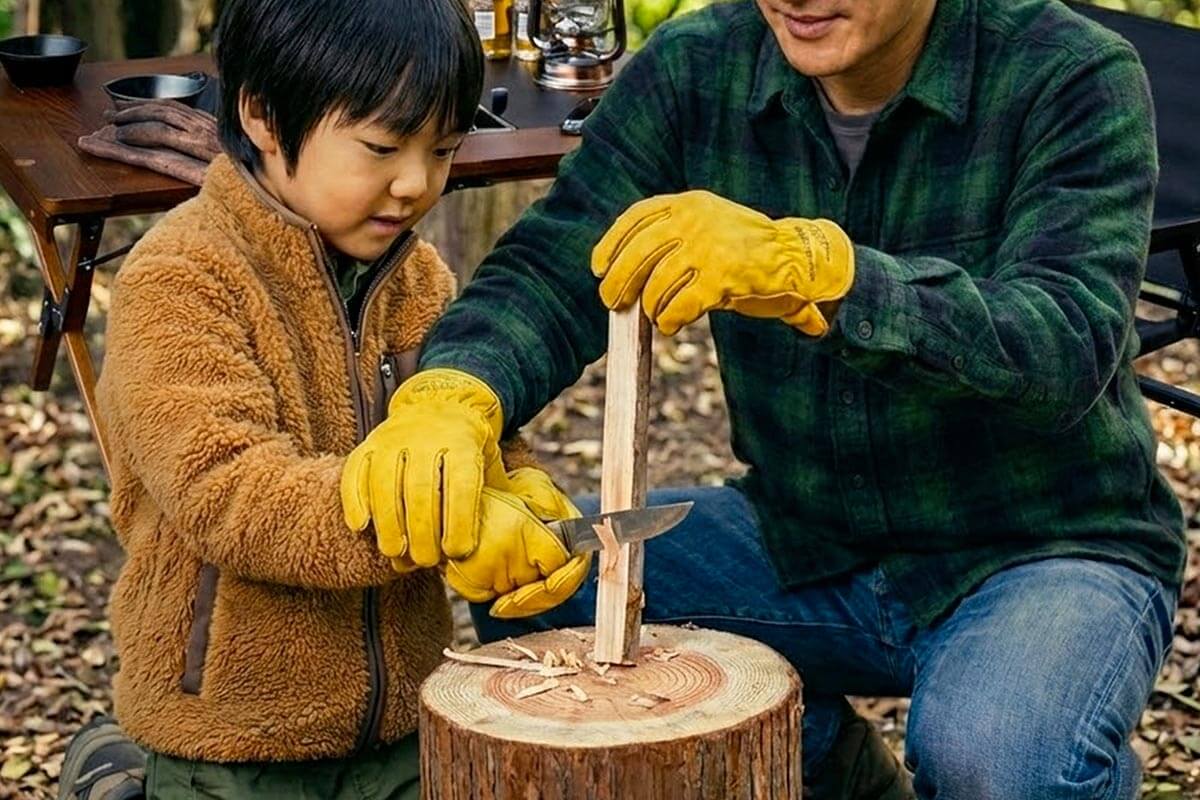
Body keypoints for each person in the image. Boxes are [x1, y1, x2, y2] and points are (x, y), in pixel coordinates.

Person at [342, 0, 1187, 797]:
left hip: (1044, 545)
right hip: (804, 537)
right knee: (542, 589)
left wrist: (825, 277)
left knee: (996, 756)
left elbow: (1064, 343)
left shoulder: (1070, 73)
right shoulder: (694, 68)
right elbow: (553, 267)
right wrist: (452, 395)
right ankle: (832, 773)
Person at [57, 1, 587, 798]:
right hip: (231, 738)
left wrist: (515, 487)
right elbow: (229, 493)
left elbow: (467, 425)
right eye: (380, 148)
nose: (415, 183)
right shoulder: (181, 280)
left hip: (406, 715)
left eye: (442, 150)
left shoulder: (415, 279)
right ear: (264, 117)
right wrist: (438, 522)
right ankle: (116, 778)